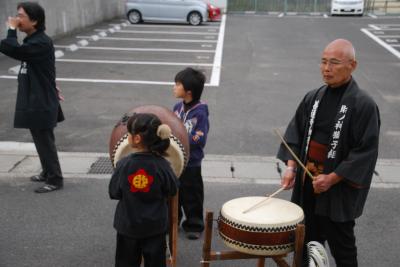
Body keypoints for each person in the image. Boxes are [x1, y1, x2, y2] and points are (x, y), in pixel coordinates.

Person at [277, 39, 380, 267]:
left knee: (342, 249)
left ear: (352, 65)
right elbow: (295, 134)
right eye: (323, 62)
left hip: (337, 190)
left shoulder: (363, 105)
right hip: (308, 186)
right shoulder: (313, 98)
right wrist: (291, 167)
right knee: (306, 246)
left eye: (334, 63)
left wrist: (332, 178)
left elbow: (365, 152)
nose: (326, 68)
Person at [0, 2, 65, 193]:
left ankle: (55, 179)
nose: (17, 19)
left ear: (34, 20)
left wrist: (11, 29)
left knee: (45, 140)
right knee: (39, 138)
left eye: (21, 16)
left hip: (41, 99)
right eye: (17, 16)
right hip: (37, 96)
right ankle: (47, 172)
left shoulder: (40, 42)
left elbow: (10, 48)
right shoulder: (32, 40)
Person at [109, 113, 179, 267]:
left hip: (128, 226)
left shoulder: (123, 164)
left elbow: (114, 193)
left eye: (129, 133)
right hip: (155, 227)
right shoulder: (163, 165)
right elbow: (172, 189)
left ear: (137, 138)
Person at [173, 67, 209, 240]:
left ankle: (194, 224)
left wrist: (178, 137)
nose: (174, 87)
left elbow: (199, 139)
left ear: (188, 91)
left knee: (192, 194)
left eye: (177, 84)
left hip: (191, 162)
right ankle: (174, 219)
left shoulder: (200, 112)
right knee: (174, 192)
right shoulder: (177, 107)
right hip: (175, 160)